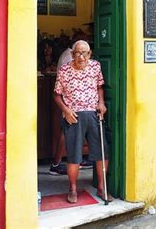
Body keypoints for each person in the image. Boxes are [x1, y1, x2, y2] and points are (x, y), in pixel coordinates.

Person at [54, 40, 111, 203]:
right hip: (73, 116)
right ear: (72, 54)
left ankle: (101, 187)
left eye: (84, 53)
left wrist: (101, 103)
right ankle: (72, 188)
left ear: (89, 54)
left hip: (93, 114)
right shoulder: (65, 70)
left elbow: (100, 86)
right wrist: (66, 110)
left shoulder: (95, 66)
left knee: (102, 152)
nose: (81, 56)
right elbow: (57, 95)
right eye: (77, 53)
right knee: (74, 156)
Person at [49, 34, 93, 176]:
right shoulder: (69, 57)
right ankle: (58, 163)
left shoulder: (66, 54)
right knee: (67, 132)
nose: (82, 56)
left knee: (70, 132)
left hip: (72, 101)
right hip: (69, 102)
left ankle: (72, 161)